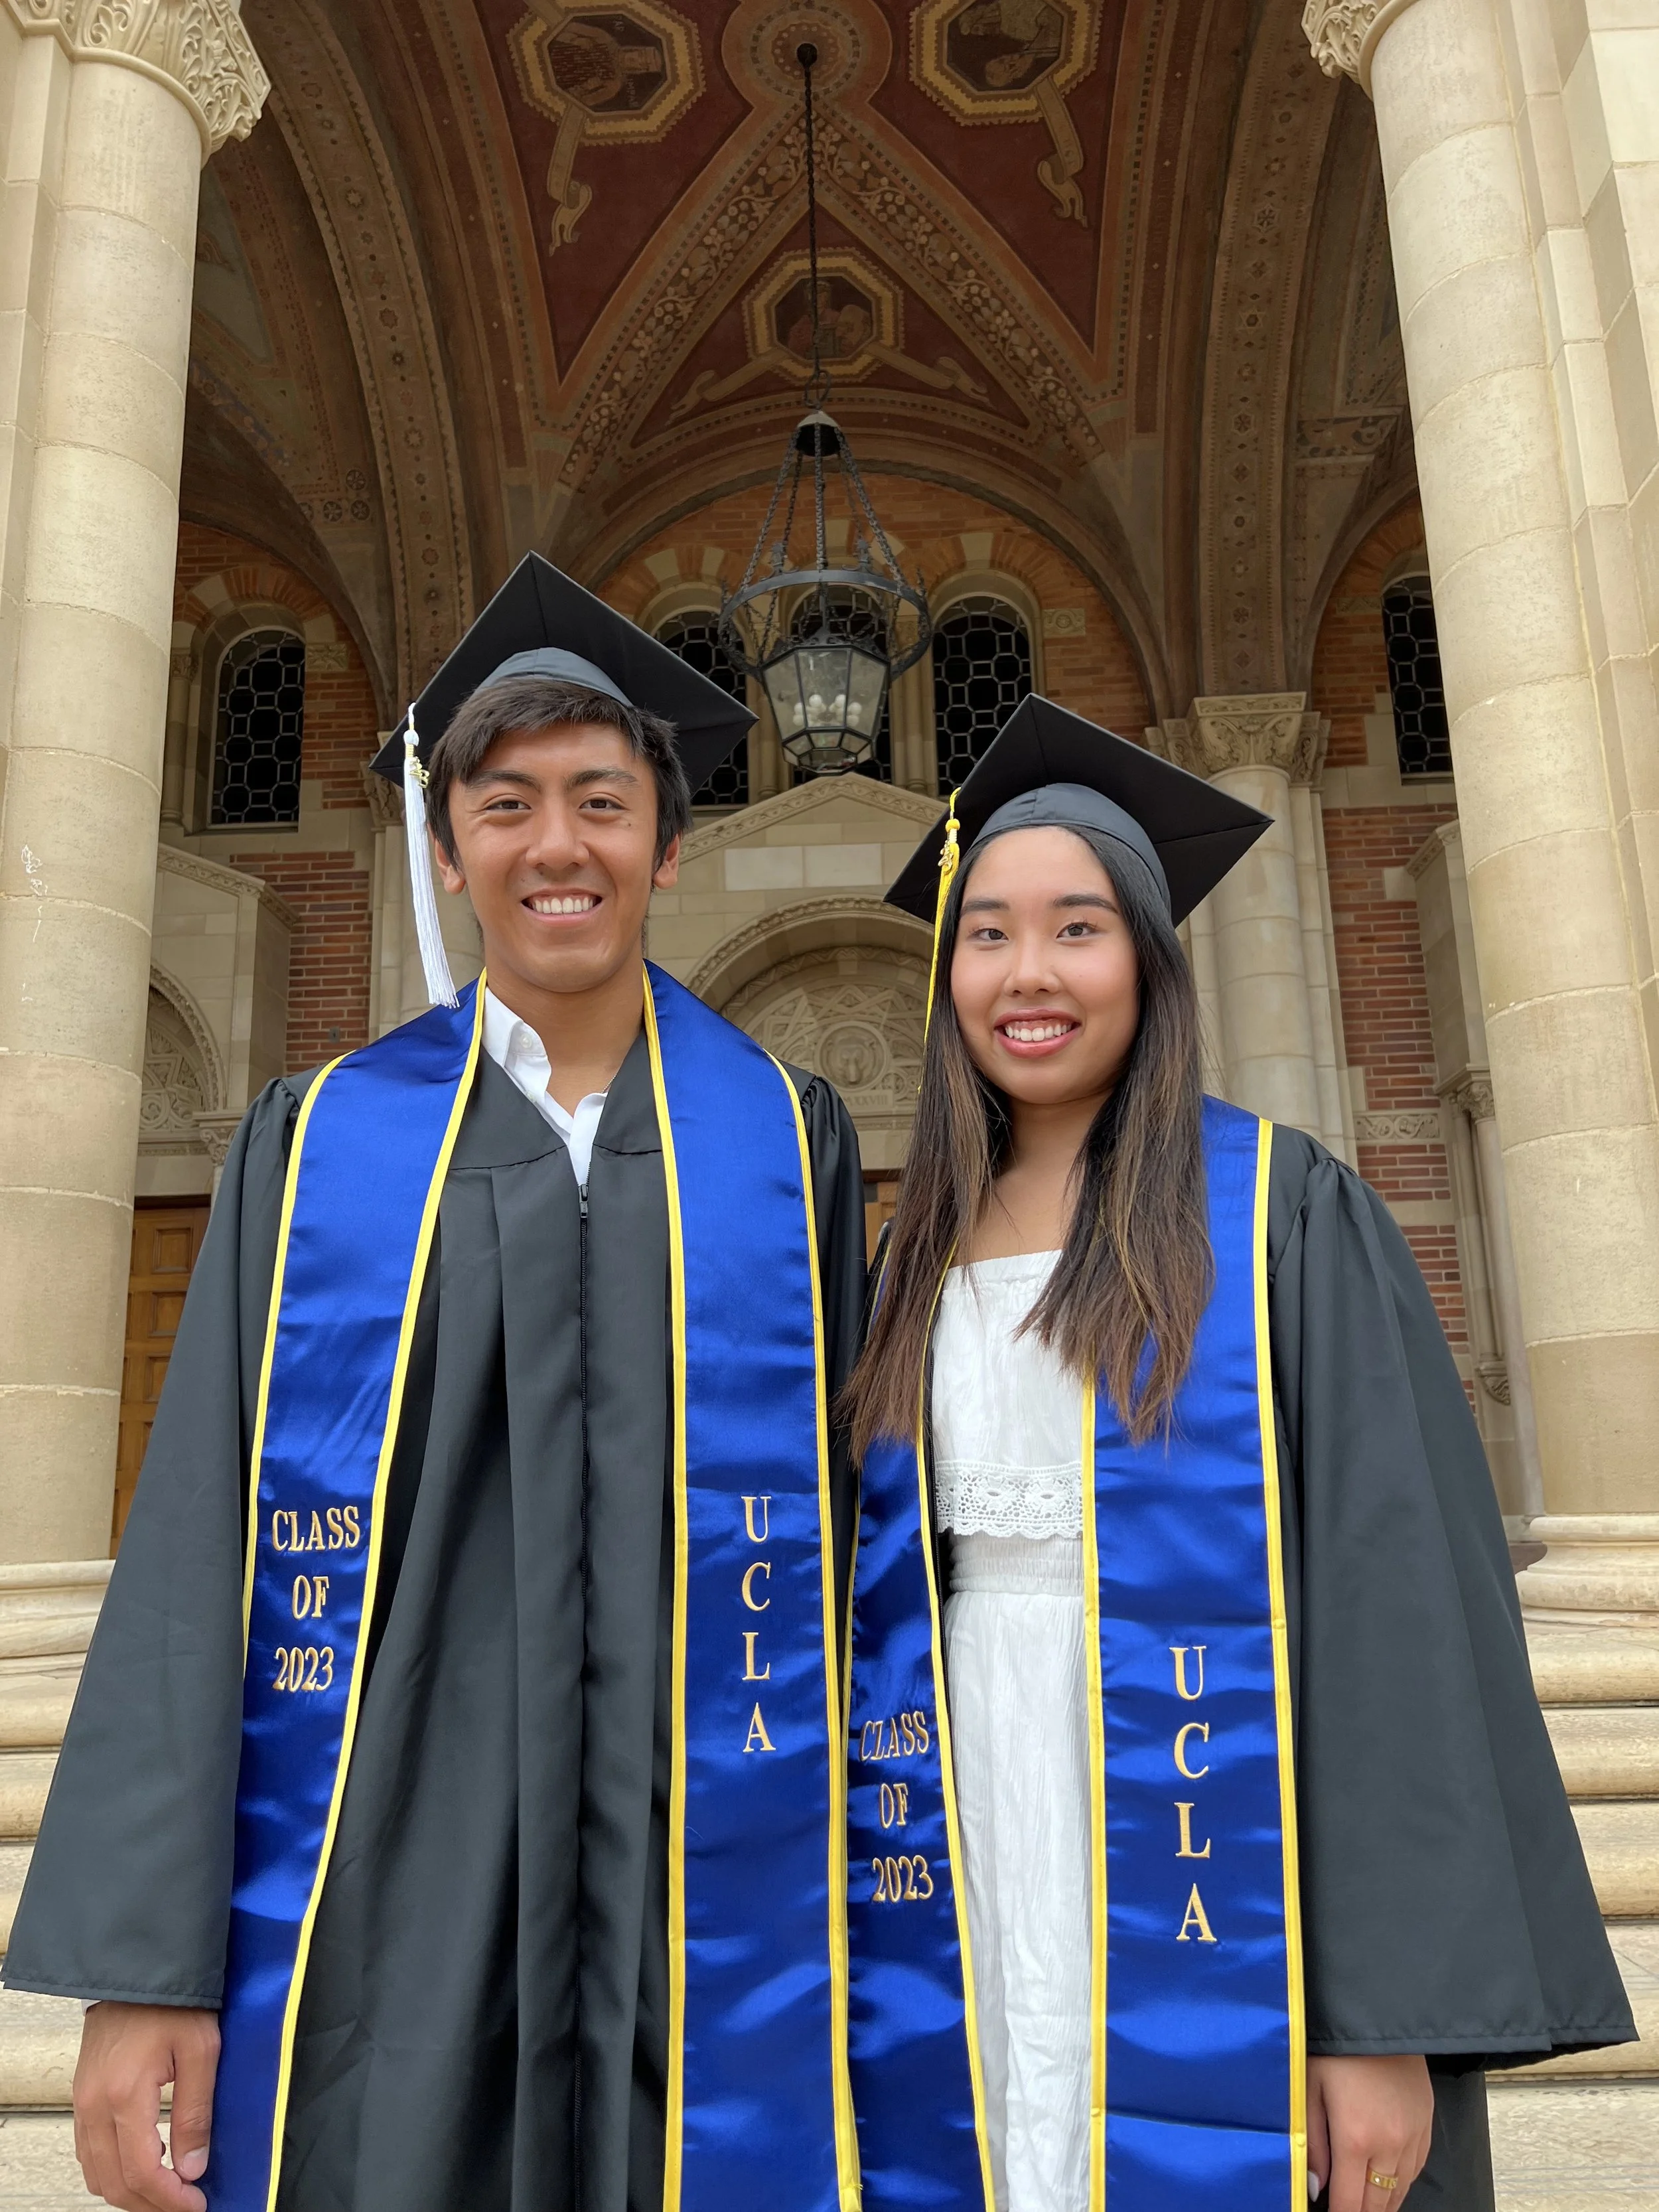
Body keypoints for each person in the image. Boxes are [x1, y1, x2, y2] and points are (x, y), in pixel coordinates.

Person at [7, 556, 867, 2212]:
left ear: (665, 846)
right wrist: (146, 1967)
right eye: (510, 804)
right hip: (388, 1871)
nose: (559, 844)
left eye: (602, 802)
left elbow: (852, 1521)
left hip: (708, 1875)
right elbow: (199, 1544)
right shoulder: (322, 1141)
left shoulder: (784, 1133)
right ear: (453, 846)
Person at [839, 698, 1632, 2212]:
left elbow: (1398, 1627)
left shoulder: (1278, 1218)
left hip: (1205, 1831)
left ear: (1147, 955)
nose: (1027, 976)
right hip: (948, 1833)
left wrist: (1375, 2018)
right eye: (988, 934)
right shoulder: (903, 1260)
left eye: (1075, 929)